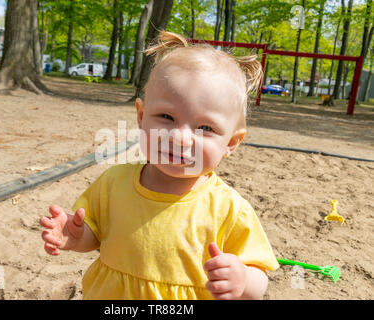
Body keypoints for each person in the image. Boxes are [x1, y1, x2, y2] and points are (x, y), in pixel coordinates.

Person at [40, 31, 279, 300]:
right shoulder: (112, 183)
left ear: (232, 143)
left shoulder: (230, 209)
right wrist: (76, 236)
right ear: (141, 117)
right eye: (166, 117)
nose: (179, 137)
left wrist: (243, 279)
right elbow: (95, 236)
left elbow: (259, 278)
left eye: (205, 127)